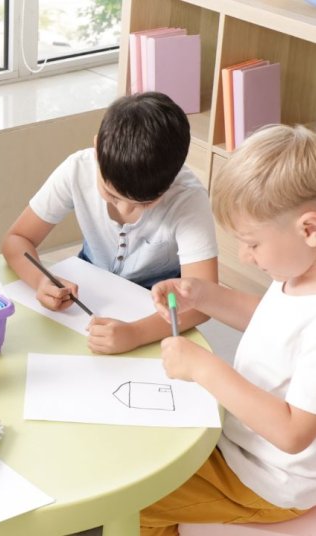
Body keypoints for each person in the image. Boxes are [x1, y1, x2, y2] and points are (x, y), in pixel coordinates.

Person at [141, 124, 316, 535]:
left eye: (252, 243)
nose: (244, 255)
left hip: (263, 481)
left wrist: (205, 369)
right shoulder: (297, 271)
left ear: (309, 229)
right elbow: (269, 319)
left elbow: (293, 433)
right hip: (237, 446)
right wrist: (203, 295)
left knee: (139, 502)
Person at [2, 91, 219, 354]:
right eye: (112, 194)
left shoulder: (188, 200)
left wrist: (136, 334)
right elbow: (17, 240)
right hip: (86, 295)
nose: (125, 208)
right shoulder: (78, 169)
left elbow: (204, 302)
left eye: (144, 203)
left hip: (156, 309)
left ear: (171, 180)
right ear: (97, 149)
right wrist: (40, 281)